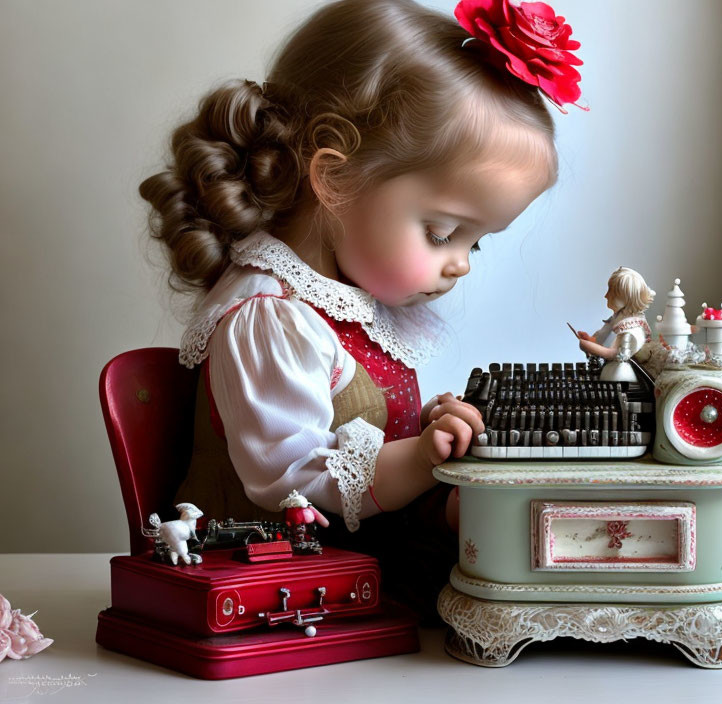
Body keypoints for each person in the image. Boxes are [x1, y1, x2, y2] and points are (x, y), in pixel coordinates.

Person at [138, 0, 585, 623]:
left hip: (361, 552)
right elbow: (291, 482)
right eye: (442, 231)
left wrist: (432, 431)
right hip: (286, 576)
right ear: (333, 177)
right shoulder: (270, 317)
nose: (462, 264)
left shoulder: (346, 304)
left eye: (474, 241)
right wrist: (425, 457)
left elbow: (364, 433)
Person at [577, 267, 655, 382]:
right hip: (607, 369)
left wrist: (590, 347)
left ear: (625, 297)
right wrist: (591, 340)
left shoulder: (632, 327)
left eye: (611, 292)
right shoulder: (619, 317)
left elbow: (617, 354)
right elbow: (606, 341)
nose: (606, 295)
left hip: (619, 374)